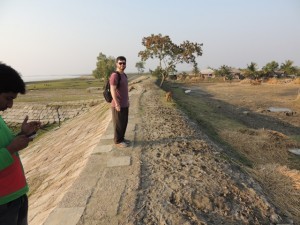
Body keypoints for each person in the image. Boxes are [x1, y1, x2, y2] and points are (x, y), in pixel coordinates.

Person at [0, 63, 41, 225]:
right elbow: (8, 149)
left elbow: (5, 146)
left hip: (16, 195)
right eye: (8, 98)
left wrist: (23, 134)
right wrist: (12, 148)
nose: (10, 105)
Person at [110, 56, 130, 148]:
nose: (122, 65)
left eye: (124, 63)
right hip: (118, 105)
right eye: (120, 63)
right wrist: (117, 103)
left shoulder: (124, 75)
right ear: (116, 64)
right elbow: (112, 90)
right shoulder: (115, 75)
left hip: (125, 104)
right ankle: (117, 141)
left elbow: (125, 89)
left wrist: (127, 100)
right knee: (118, 123)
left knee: (124, 122)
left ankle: (122, 138)